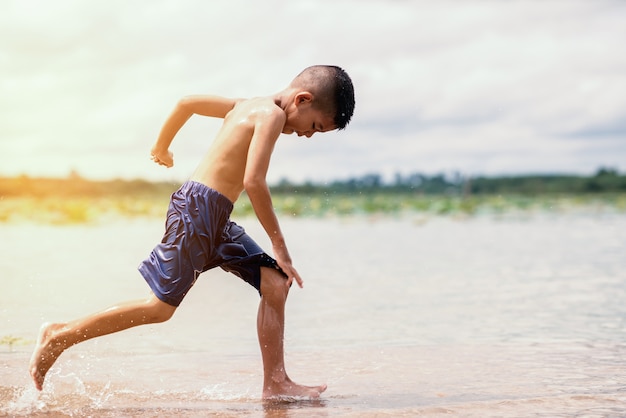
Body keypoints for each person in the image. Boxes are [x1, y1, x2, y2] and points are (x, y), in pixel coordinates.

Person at [29, 65, 355, 399]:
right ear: (302, 99)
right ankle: (59, 335)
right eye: (314, 126)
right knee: (158, 309)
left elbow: (187, 103)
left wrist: (162, 146)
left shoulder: (246, 105)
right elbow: (253, 181)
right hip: (198, 212)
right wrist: (280, 247)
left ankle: (275, 383)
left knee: (275, 283)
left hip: (214, 215)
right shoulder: (270, 115)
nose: (308, 134)